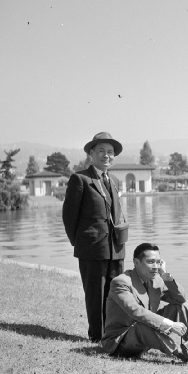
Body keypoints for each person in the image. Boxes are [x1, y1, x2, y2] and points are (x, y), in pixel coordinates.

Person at [101, 243, 188, 368]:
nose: (156, 266)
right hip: (120, 342)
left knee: (178, 308)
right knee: (142, 325)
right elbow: (136, 312)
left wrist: (166, 276)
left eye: (158, 262)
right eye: (151, 262)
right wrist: (170, 324)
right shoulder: (121, 282)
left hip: (145, 335)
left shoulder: (156, 280)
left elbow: (179, 299)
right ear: (136, 262)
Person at [62, 132, 126, 343]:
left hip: (116, 248)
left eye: (110, 152)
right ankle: (97, 336)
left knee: (115, 293)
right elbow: (69, 217)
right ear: (91, 153)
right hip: (92, 248)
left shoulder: (114, 180)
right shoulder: (80, 179)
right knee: (95, 294)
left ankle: (113, 333)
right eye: (101, 151)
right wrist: (82, 243)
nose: (106, 156)